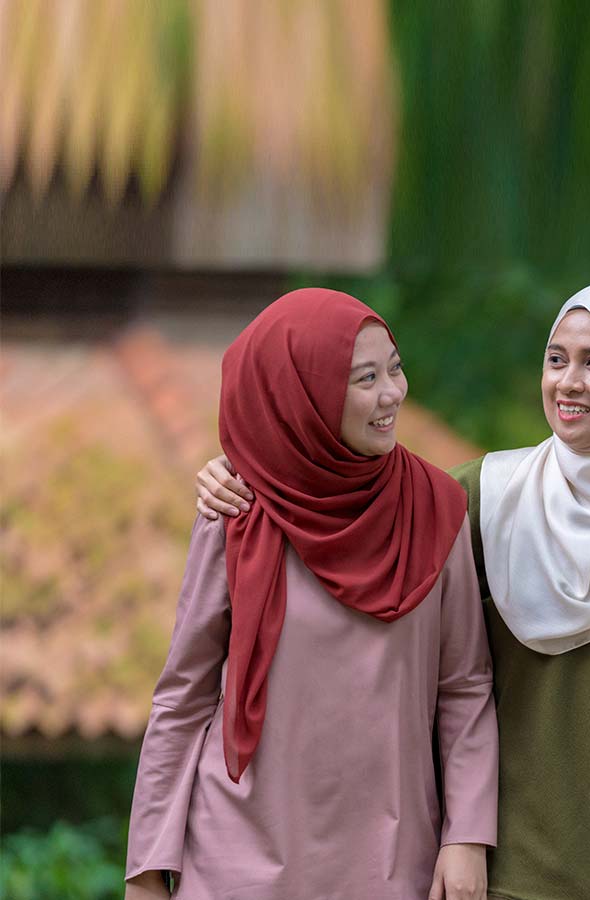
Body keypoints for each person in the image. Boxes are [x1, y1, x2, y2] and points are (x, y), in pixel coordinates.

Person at [195, 282, 590, 900]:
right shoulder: (488, 497)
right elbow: (343, 506)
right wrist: (242, 472)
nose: (568, 382)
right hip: (497, 872)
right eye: (556, 359)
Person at [127, 289, 498, 900]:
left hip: (390, 860)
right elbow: (184, 697)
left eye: (395, 368)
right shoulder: (237, 511)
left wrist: (468, 836)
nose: (392, 394)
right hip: (236, 860)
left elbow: (464, 686)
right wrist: (145, 867)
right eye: (364, 377)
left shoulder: (435, 509)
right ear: (304, 392)